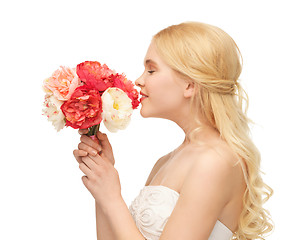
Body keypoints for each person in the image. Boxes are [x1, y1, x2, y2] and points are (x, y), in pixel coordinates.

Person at [73, 21, 273, 240]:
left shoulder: (215, 161)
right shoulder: (164, 161)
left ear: (190, 84)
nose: (139, 80)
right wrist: (102, 182)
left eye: (151, 70)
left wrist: (112, 197)